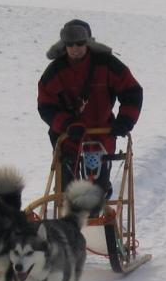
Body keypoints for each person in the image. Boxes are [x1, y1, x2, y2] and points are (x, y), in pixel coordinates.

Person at [37, 19, 143, 197]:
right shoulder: (55, 71)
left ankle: (99, 212)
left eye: (79, 43)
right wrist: (67, 124)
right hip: (68, 137)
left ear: (88, 43)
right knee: (67, 192)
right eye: (70, 44)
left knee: (97, 190)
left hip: (101, 134)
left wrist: (125, 121)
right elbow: (46, 105)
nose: (75, 48)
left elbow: (131, 91)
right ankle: (68, 221)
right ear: (64, 46)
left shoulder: (107, 64)